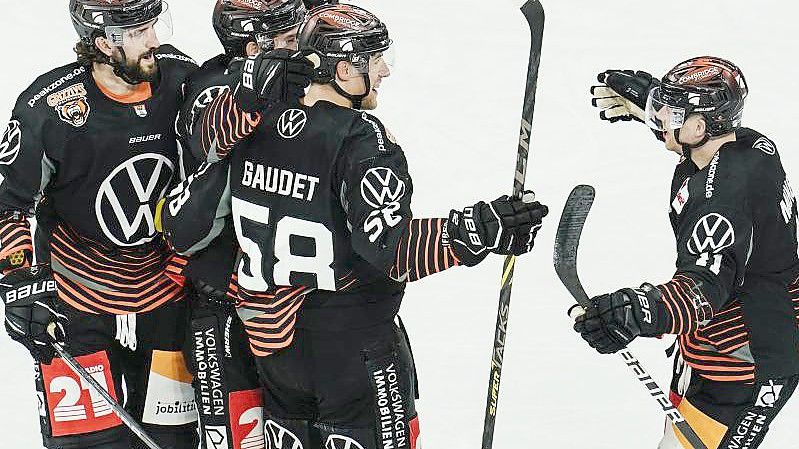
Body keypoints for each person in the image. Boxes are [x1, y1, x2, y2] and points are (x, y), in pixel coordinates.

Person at [159, 4, 549, 449]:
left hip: (277, 358)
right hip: (354, 354)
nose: (384, 71)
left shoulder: (254, 125)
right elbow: (391, 250)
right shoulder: (361, 139)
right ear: (344, 70)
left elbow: (184, 223)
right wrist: (480, 230)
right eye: (375, 59)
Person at [0, 1, 200, 448]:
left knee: (174, 441)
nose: (154, 40)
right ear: (102, 43)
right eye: (138, 32)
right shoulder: (48, 109)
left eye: (153, 26)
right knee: (89, 443)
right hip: (78, 297)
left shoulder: (182, 81)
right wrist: (17, 277)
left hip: (165, 294)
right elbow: (9, 205)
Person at [580, 56, 799, 448]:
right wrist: (652, 103)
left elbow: (702, 290)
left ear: (699, 125)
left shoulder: (722, 201)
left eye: (672, 110)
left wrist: (636, 310)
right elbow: (695, 131)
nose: (662, 116)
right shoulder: (748, 144)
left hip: (743, 365)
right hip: (723, 339)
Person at [169, 1, 309, 448]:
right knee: (236, 436)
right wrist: (252, 92)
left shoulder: (304, 84)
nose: (302, 49)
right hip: (223, 299)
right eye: (290, 39)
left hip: (294, 302)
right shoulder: (211, 86)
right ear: (254, 47)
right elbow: (209, 138)